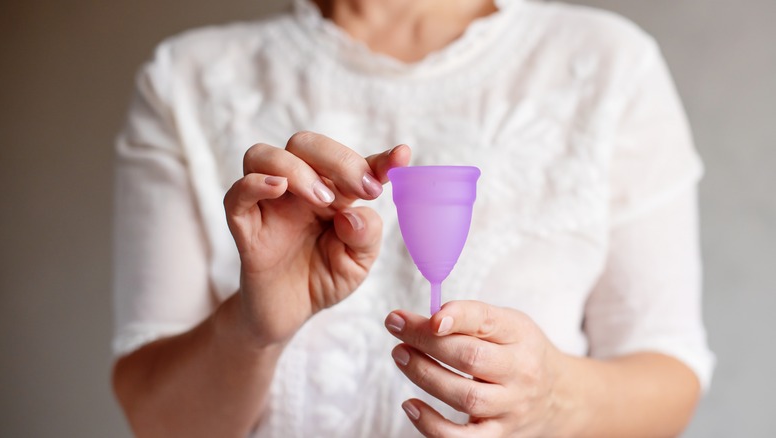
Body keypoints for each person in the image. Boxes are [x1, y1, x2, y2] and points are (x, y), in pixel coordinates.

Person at [111, 0, 714, 436]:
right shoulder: (185, 80)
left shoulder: (608, 64)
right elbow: (159, 422)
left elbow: (669, 376)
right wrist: (252, 327)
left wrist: (553, 398)